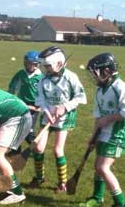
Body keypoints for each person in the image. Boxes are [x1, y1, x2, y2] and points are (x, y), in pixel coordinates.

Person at [79, 53, 125, 207]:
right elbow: (98, 117)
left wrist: (109, 118)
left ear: (106, 71)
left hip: (118, 133)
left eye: (95, 72)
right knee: (97, 167)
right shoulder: (100, 90)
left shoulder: (120, 87)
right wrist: (93, 137)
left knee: (103, 167)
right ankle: (97, 198)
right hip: (104, 133)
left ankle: (121, 205)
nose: (93, 76)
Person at [30, 46, 86, 192]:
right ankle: (39, 178)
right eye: (44, 66)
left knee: (57, 150)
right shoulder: (43, 79)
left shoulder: (70, 77)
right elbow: (40, 99)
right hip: (48, 115)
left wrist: (65, 107)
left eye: (48, 66)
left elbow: (81, 97)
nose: (45, 69)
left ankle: (62, 184)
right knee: (38, 148)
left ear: (59, 63)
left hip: (65, 117)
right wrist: (46, 111)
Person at [8, 50, 42, 143]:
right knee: (16, 128)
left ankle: (37, 151)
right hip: (21, 102)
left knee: (29, 131)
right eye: (28, 63)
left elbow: (44, 92)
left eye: (32, 64)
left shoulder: (40, 77)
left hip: (34, 106)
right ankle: (14, 152)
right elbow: (13, 86)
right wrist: (10, 97)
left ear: (37, 64)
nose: (29, 65)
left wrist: (39, 105)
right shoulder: (21, 73)